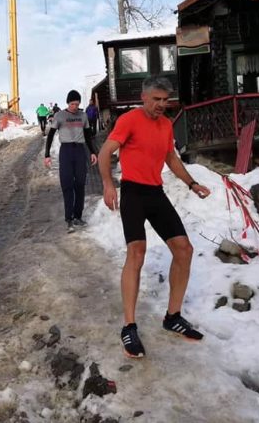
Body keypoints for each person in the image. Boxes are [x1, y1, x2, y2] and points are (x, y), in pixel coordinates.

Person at [97, 76, 211, 359]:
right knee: (136, 253)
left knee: (184, 249)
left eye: (165, 100)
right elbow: (105, 152)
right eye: (156, 99)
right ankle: (129, 326)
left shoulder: (166, 125)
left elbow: (171, 158)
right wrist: (109, 184)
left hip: (155, 193)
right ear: (144, 97)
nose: (161, 104)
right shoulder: (129, 120)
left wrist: (192, 183)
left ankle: (173, 316)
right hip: (133, 193)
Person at [44, 90, 98, 233]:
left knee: (80, 183)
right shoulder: (60, 116)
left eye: (77, 104)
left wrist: (93, 152)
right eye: (72, 104)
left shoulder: (83, 116)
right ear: (68, 103)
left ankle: (78, 216)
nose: (75, 107)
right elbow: (50, 135)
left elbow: (88, 136)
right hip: (66, 151)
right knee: (67, 184)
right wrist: (47, 154)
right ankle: (69, 219)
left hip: (80, 151)